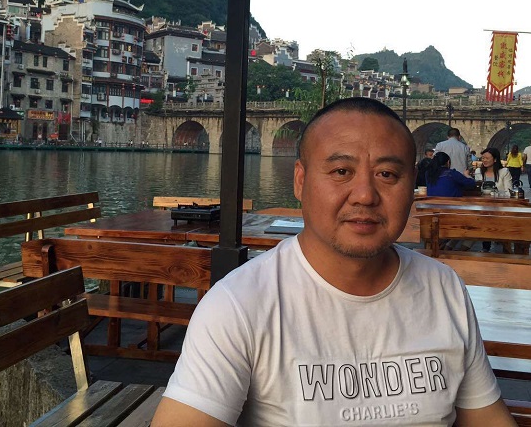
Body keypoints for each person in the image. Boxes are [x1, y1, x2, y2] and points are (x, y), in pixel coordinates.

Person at [152, 98, 514, 427]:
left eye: (387, 174)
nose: (365, 195)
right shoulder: (238, 305)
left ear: (411, 187)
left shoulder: (444, 287)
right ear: (300, 180)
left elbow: (487, 417)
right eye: (341, 171)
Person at [475, 147, 513, 253]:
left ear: (495, 159)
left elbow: (509, 192)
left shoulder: (504, 172)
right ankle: (485, 247)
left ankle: (506, 248)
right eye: (483, 158)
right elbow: (477, 190)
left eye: (487, 158)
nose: (484, 160)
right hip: (483, 208)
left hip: (500, 208)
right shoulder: (478, 171)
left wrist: (493, 194)